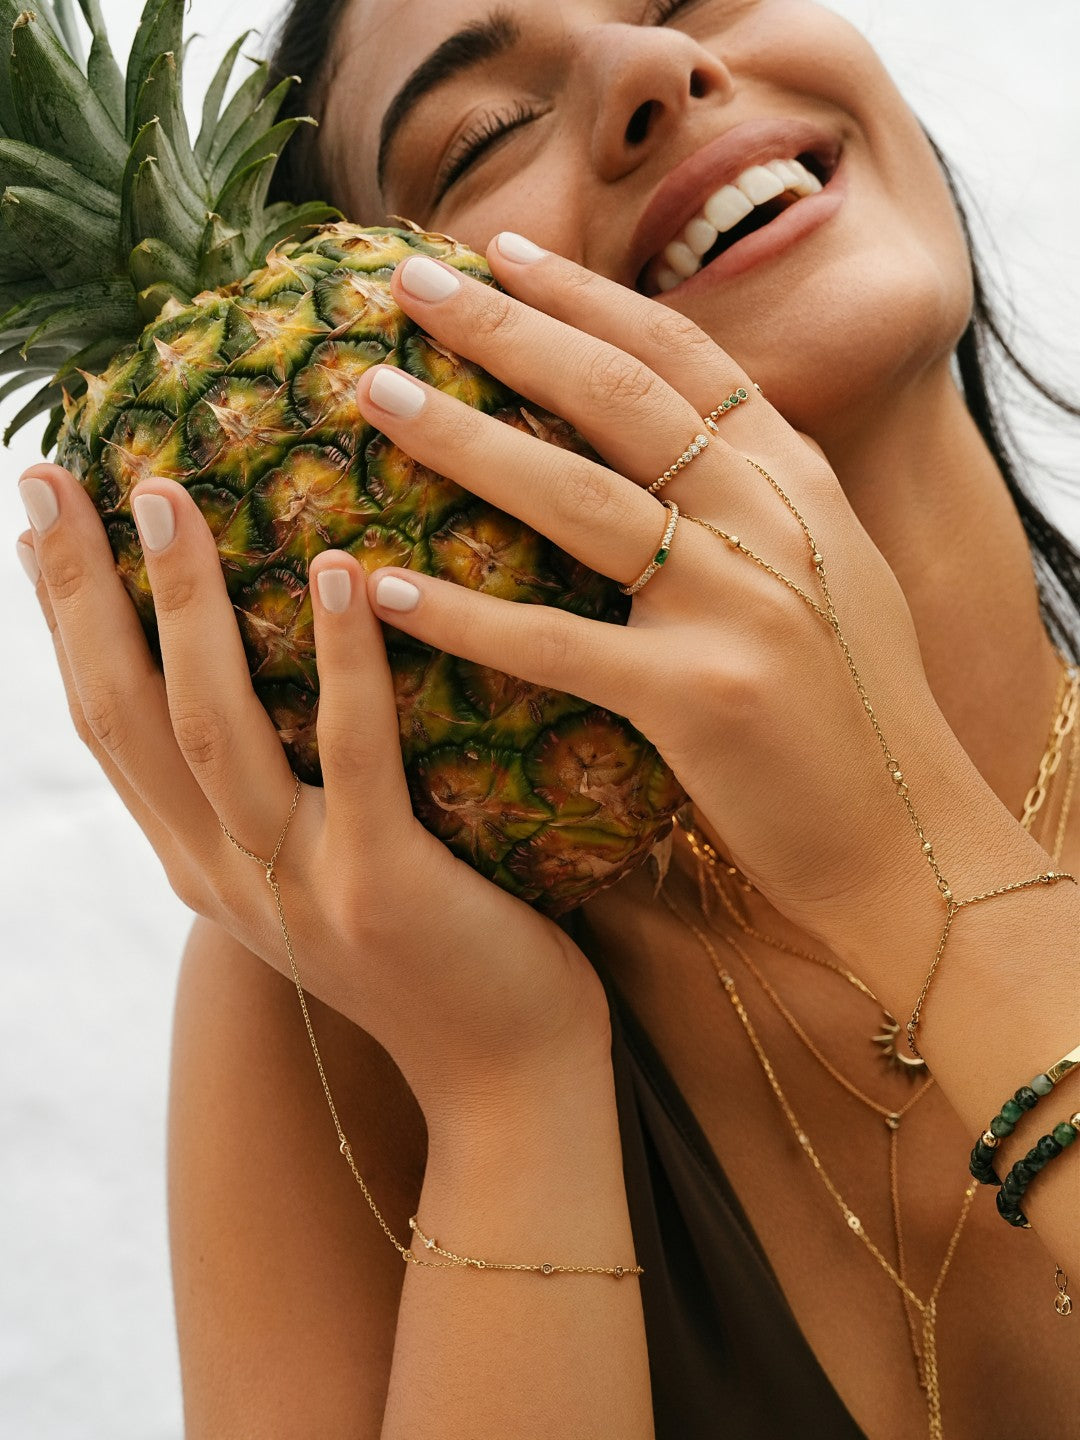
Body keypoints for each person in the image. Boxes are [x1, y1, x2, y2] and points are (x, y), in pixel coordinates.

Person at [15, 2, 1080, 1437]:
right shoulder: (344, 989)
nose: (657, 69)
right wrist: (504, 1085)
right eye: (486, 136)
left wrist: (899, 857)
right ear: (338, 373)